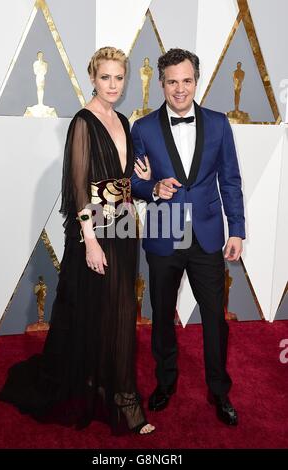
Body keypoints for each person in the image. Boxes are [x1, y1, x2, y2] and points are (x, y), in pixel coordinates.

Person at [0, 47, 155, 435]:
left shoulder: (122, 120)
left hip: (122, 225)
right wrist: (90, 240)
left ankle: (115, 387)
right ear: (93, 78)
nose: (113, 85)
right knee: (91, 310)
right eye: (106, 77)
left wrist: (141, 179)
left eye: (119, 77)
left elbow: (122, 181)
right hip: (95, 230)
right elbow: (79, 188)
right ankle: (117, 396)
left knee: (119, 309)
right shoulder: (83, 122)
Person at [131, 48, 245, 426]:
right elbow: (133, 182)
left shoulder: (218, 123)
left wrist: (238, 230)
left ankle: (219, 390)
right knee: (162, 314)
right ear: (161, 83)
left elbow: (230, 179)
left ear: (197, 81)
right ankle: (165, 382)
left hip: (209, 235)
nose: (180, 89)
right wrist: (152, 190)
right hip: (164, 231)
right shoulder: (143, 128)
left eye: (187, 81)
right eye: (172, 82)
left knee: (215, 317)